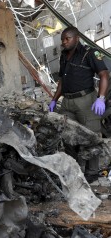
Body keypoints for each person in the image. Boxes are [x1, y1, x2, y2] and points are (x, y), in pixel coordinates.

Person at [48, 26, 109, 182]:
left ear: (77, 38)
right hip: (67, 102)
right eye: (62, 39)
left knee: (91, 136)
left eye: (67, 38)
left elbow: (104, 75)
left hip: (86, 101)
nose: (64, 42)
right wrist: (54, 99)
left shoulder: (90, 53)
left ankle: (92, 172)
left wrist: (101, 98)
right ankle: (75, 168)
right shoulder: (63, 56)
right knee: (67, 135)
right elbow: (62, 81)